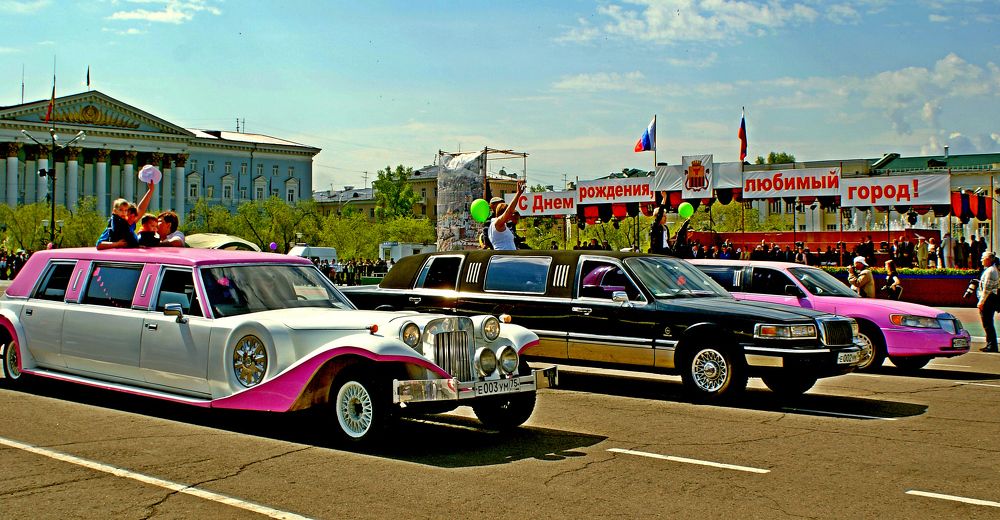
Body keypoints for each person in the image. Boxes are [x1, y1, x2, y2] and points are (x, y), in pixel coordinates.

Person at [96, 181, 155, 250]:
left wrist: (151, 190)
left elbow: (141, 208)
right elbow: (99, 245)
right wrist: (116, 244)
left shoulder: (131, 225)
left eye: (134, 216)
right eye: (130, 215)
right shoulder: (114, 227)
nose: (133, 218)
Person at [488, 179, 526, 251]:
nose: (510, 216)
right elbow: (509, 211)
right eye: (509, 214)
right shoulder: (497, 223)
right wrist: (518, 194)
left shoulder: (501, 224)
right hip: (503, 256)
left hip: (508, 256)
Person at [977, 251, 1000, 352]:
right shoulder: (991, 270)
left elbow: (987, 289)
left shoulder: (991, 271)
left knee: (987, 323)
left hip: (988, 300)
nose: (981, 260)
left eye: (983, 258)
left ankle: (992, 345)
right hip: (990, 298)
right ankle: (990, 344)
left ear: (988, 259)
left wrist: (981, 302)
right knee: (988, 322)